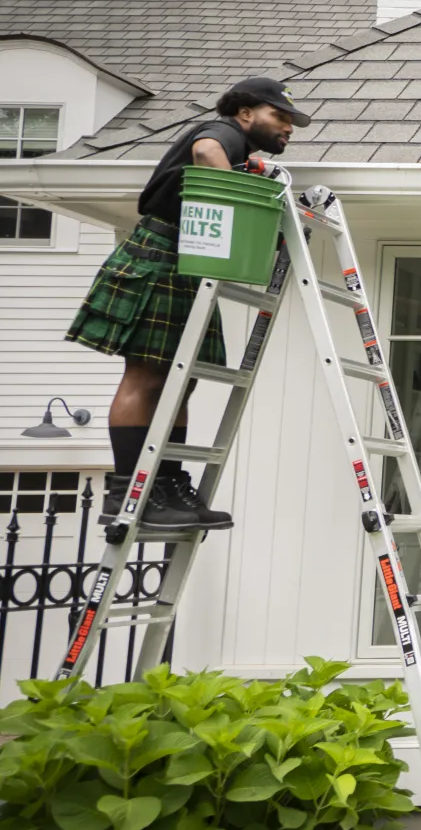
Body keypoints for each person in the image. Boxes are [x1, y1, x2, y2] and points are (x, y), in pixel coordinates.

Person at [65, 77, 309, 531]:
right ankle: (129, 494)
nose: (289, 127)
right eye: (280, 116)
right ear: (245, 113)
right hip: (159, 254)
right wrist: (233, 200)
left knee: (181, 382)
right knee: (146, 375)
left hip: (185, 260)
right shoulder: (224, 133)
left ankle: (167, 483)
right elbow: (205, 153)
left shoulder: (240, 149)